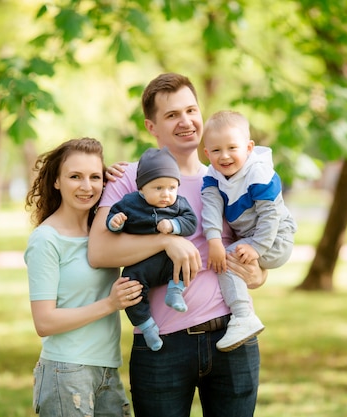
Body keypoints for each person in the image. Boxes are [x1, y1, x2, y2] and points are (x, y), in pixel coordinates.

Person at [88, 73, 267, 417]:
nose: (185, 121)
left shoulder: (227, 176)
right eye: (171, 115)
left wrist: (257, 274)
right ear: (152, 127)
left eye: (191, 110)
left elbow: (255, 256)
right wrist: (166, 240)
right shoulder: (129, 178)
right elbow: (99, 252)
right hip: (162, 347)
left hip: (232, 337)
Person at [24, 137, 143, 417]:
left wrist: (118, 180)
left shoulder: (104, 232)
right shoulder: (46, 240)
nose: (86, 186)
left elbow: (158, 192)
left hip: (107, 369)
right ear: (56, 181)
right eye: (75, 176)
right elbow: (44, 322)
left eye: (94, 177)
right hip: (65, 371)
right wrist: (110, 304)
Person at [201, 110, 297, 352]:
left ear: (249, 147)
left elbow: (270, 216)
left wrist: (257, 248)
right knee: (223, 253)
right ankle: (243, 314)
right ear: (206, 152)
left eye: (232, 148)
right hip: (251, 239)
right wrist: (213, 240)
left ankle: (244, 316)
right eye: (216, 150)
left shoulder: (259, 173)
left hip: (275, 239)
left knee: (228, 259)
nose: (224, 156)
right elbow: (211, 207)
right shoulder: (213, 175)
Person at [107, 147, 198, 351]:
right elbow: (113, 218)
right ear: (142, 189)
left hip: (168, 261)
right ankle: (147, 327)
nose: (166, 194)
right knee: (130, 290)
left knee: (187, 260)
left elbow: (191, 222)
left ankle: (175, 292)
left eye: (172, 188)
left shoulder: (179, 204)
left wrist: (173, 226)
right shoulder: (130, 203)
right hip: (139, 264)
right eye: (158, 188)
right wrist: (116, 222)